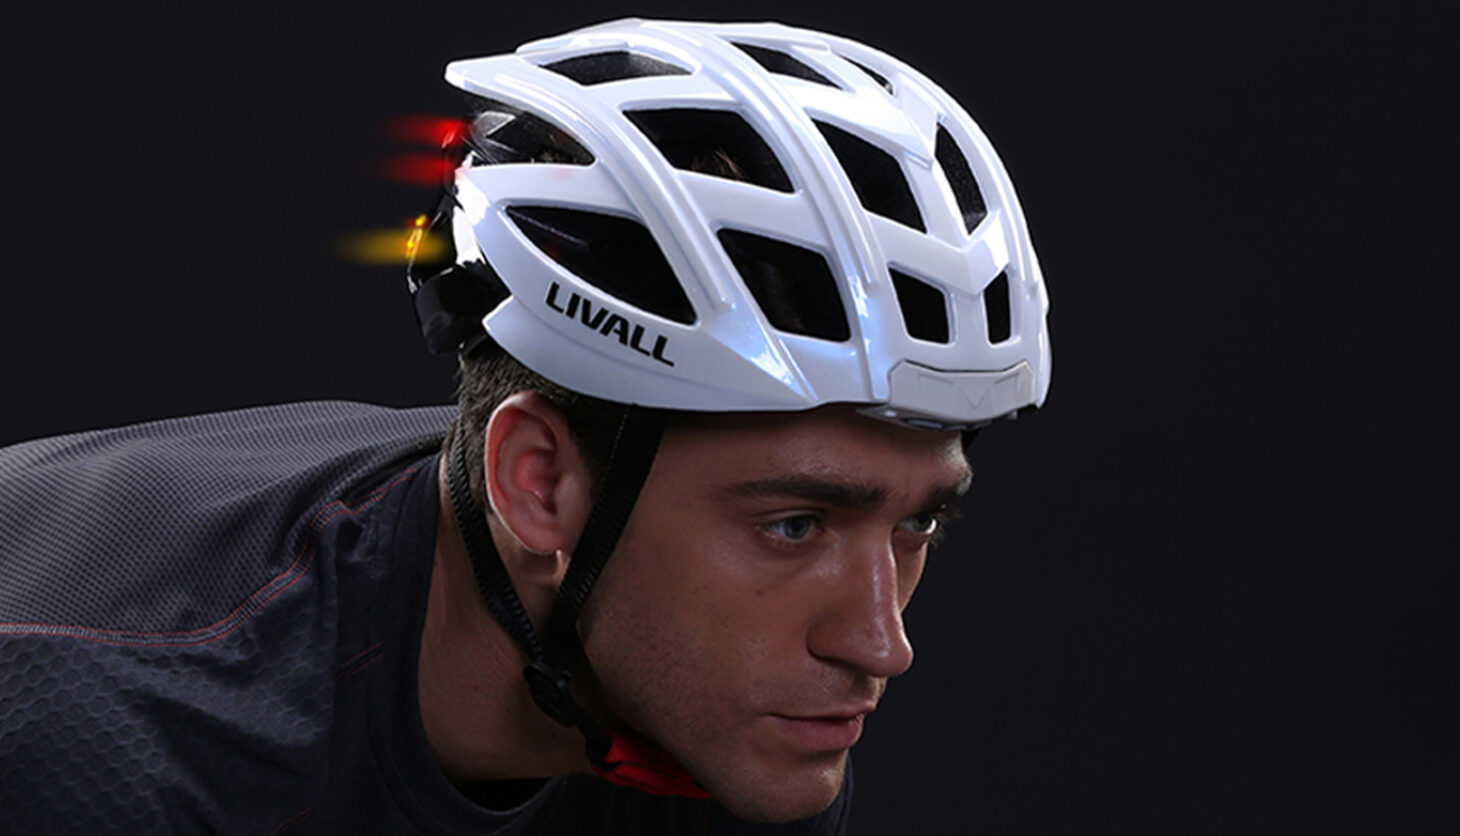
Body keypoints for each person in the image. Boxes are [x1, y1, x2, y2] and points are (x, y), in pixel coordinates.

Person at [0, 18, 1050, 834]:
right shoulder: (105, 747)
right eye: (794, 525)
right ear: (537, 483)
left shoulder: (728, 741)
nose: (878, 642)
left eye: (918, 523)